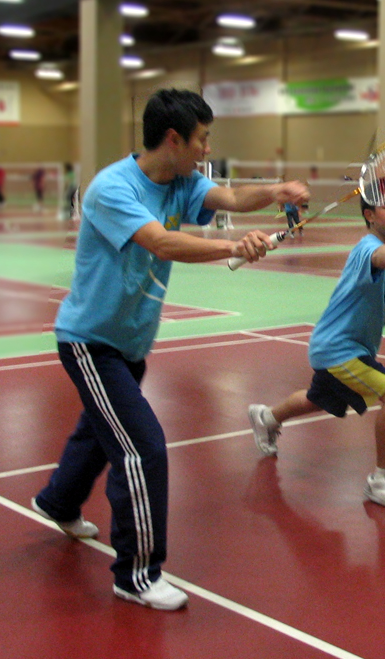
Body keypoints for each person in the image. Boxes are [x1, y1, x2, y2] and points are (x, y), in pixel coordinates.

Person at [31, 88, 309, 611]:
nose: (207, 149)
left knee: (99, 431)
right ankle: (136, 573)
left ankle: (58, 500)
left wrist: (276, 191)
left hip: (131, 340)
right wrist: (234, 246)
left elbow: (228, 199)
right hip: (91, 341)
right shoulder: (112, 189)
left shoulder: (182, 181)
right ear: (174, 139)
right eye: (202, 139)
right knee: (142, 447)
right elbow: (160, 243)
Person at [246, 195, 385, 511]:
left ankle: (267, 417)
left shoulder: (383, 261)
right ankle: (382, 480)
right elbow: (381, 254)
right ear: (369, 215)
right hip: (339, 349)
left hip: (337, 346)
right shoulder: (366, 249)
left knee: (318, 399)